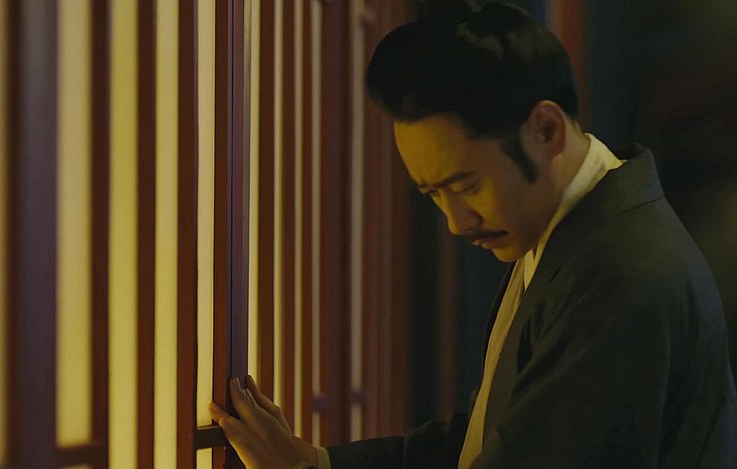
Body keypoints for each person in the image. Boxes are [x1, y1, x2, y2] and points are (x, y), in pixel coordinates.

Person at [209, 1, 737, 467]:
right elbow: (497, 435)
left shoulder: (619, 274)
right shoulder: (577, 230)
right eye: (433, 194)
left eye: (465, 185)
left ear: (546, 130)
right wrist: (317, 462)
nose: (456, 222)